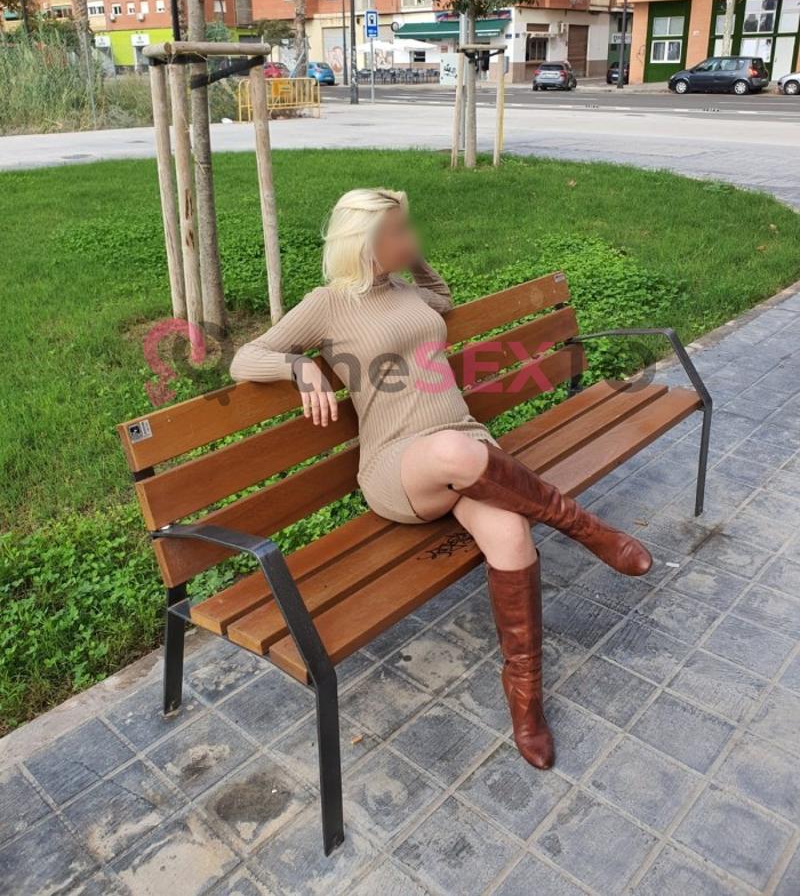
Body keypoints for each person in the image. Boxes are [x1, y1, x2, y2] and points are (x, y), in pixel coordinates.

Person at [230, 188, 652, 770]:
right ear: (366, 241)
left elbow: (442, 297)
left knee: (512, 537)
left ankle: (525, 695)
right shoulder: (327, 305)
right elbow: (244, 357)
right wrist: (298, 365)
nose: (413, 239)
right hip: (399, 465)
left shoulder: (407, 290)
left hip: (465, 449)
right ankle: (587, 529)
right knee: (457, 452)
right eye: (401, 231)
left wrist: (413, 254)